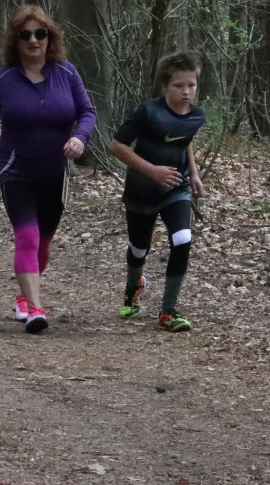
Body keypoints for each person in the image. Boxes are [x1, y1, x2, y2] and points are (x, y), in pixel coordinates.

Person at [0, 6, 96, 334]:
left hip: (55, 173)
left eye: (40, 34)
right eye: (26, 35)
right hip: (15, 169)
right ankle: (35, 309)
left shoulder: (67, 73)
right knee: (28, 236)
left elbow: (88, 112)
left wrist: (80, 137)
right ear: (16, 41)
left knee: (43, 243)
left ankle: (23, 297)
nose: (34, 40)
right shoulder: (2, 80)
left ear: (51, 38)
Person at [109, 51, 205, 333]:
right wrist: (152, 170)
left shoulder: (194, 115)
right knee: (139, 248)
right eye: (179, 86)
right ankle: (133, 287)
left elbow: (184, 140)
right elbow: (116, 147)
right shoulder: (147, 112)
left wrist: (195, 174)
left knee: (183, 238)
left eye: (192, 85)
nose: (186, 92)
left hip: (176, 188)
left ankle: (168, 310)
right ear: (165, 86)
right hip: (142, 190)